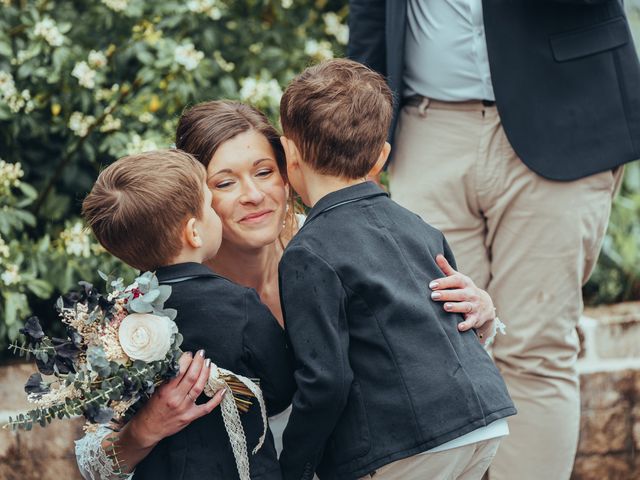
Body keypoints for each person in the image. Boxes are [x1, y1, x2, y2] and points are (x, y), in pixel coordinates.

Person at [75, 100, 501, 478]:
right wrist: (145, 428)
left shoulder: (334, 248)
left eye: (265, 172)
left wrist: (480, 314)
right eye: (225, 183)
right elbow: (92, 460)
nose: (254, 194)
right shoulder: (149, 308)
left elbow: (429, 361)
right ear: (190, 202)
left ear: (289, 172)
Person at [348, 2, 640, 479]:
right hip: (427, 126)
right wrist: (358, 137)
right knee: (430, 346)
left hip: (565, 115)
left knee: (537, 346)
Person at [277, 58, 516, 480]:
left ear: (289, 154)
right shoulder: (420, 227)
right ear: (382, 157)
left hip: (405, 441)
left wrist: (293, 466)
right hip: (483, 418)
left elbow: (325, 380)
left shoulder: (308, 252)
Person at [80, 149, 295, 479]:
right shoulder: (239, 305)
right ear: (194, 232)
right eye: (210, 203)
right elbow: (281, 386)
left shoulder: (118, 319)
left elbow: (110, 407)